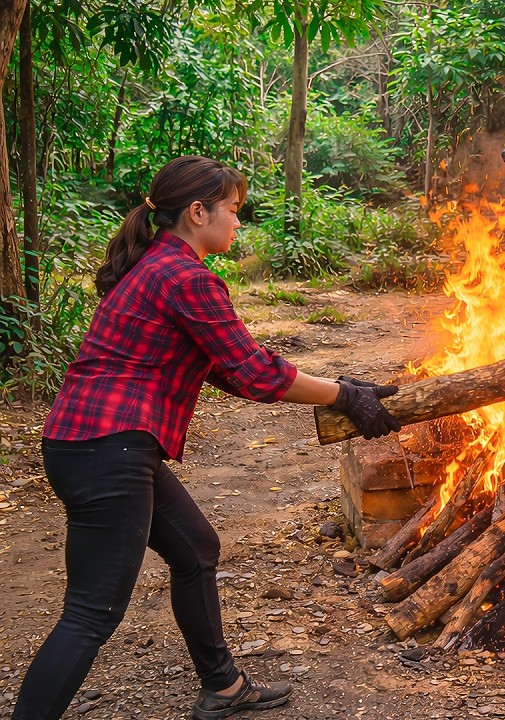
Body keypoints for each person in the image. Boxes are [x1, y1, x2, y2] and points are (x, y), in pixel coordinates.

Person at [12, 156, 401, 720]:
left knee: (196, 548)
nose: (238, 223)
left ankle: (222, 687)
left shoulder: (158, 266)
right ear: (198, 212)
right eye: (234, 210)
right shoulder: (187, 277)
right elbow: (254, 373)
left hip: (105, 445)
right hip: (107, 449)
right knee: (91, 612)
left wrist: (343, 388)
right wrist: (344, 395)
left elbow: (223, 367)